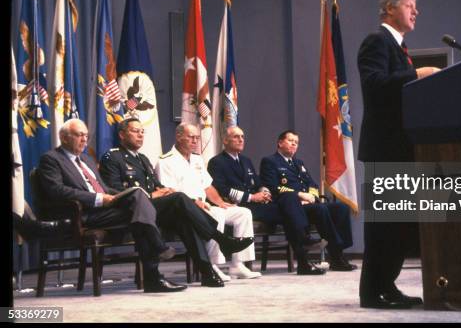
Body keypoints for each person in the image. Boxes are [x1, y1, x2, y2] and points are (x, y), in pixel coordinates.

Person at [357, 0, 439, 309]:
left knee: (399, 225)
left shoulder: (401, 47)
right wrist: (417, 74)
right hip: (384, 148)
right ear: (390, 8)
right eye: (409, 5)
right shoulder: (377, 41)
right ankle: (371, 292)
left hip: (401, 148)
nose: (415, 11)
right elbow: (374, 85)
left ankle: (386, 285)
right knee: (383, 226)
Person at [99, 118, 254, 288]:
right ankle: (221, 239)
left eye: (142, 131)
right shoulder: (112, 157)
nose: (140, 135)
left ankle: (207, 273)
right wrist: (154, 194)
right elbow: (114, 191)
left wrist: (166, 190)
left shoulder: (142, 159)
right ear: (121, 134)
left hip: (153, 210)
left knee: (184, 217)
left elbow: (157, 185)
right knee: (180, 198)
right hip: (131, 211)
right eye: (135, 131)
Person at [37, 118, 185, 293]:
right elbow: (57, 191)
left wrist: (122, 195)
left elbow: (106, 188)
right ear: (64, 137)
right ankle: (155, 270)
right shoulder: (51, 159)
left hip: (106, 209)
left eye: (86, 135)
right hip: (85, 214)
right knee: (142, 212)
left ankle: (155, 275)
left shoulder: (87, 159)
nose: (84, 139)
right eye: (79, 135)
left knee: (139, 200)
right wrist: (98, 199)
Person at [208, 126, 327, 276]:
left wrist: (264, 191)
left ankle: (303, 260)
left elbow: (258, 183)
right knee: (290, 210)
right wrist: (252, 197)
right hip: (239, 206)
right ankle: (304, 251)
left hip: (258, 205)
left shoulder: (246, 160)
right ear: (225, 140)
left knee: (290, 209)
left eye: (243, 137)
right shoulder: (217, 162)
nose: (241, 140)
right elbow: (222, 190)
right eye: (236, 137)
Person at [155, 123, 261, 280]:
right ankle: (213, 265)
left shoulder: (197, 160)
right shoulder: (165, 161)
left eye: (197, 137)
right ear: (178, 137)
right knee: (216, 215)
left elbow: (208, 186)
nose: (195, 141)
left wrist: (220, 202)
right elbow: (169, 191)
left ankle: (238, 265)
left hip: (205, 205)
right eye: (191, 137)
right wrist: (195, 202)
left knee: (243, 213)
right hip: (185, 210)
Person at [260, 130, 357, 273]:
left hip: (308, 205)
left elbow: (312, 185)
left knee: (341, 208)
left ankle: (339, 251)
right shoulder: (270, 161)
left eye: (296, 142)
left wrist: (311, 197)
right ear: (280, 143)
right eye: (290, 140)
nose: (294, 144)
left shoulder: (298, 163)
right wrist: (299, 196)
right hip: (287, 206)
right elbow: (273, 187)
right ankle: (335, 255)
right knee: (321, 209)